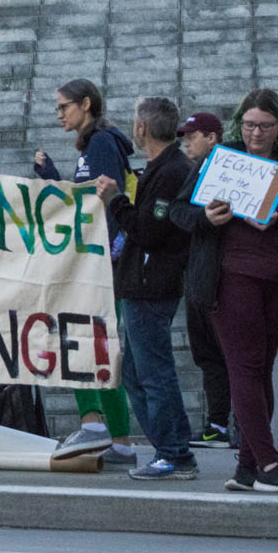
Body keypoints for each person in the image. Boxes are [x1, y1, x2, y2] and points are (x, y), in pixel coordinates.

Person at [170, 89, 278, 493]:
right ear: (241, 124)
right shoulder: (219, 159)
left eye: (266, 126)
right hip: (230, 275)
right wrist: (207, 217)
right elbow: (178, 212)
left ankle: (246, 468)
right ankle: (270, 464)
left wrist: (277, 217)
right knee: (244, 367)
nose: (257, 133)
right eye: (250, 125)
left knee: (261, 370)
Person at [34, 78, 138, 469]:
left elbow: (108, 200)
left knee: (82, 340)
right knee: (97, 345)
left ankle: (95, 423)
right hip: (100, 260)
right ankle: (121, 440)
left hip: (101, 263)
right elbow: (85, 198)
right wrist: (53, 176)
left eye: (64, 106)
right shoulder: (97, 144)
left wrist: (100, 258)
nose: (59, 114)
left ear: (86, 104)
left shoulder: (101, 143)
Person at [94, 97, 196, 480]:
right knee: (135, 372)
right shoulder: (162, 167)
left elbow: (149, 231)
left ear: (142, 129)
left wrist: (116, 200)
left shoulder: (172, 170)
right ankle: (168, 449)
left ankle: (175, 454)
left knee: (154, 372)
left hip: (152, 285)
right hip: (141, 282)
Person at [177, 112, 233, 448]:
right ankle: (218, 425)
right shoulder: (196, 170)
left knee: (235, 357)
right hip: (199, 277)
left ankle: (241, 426)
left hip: (229, 278)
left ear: (212, 137)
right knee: (208, 355)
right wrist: (204, 218)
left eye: (192, 135)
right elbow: (178, 212)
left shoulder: (233, 166)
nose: (186, 141)